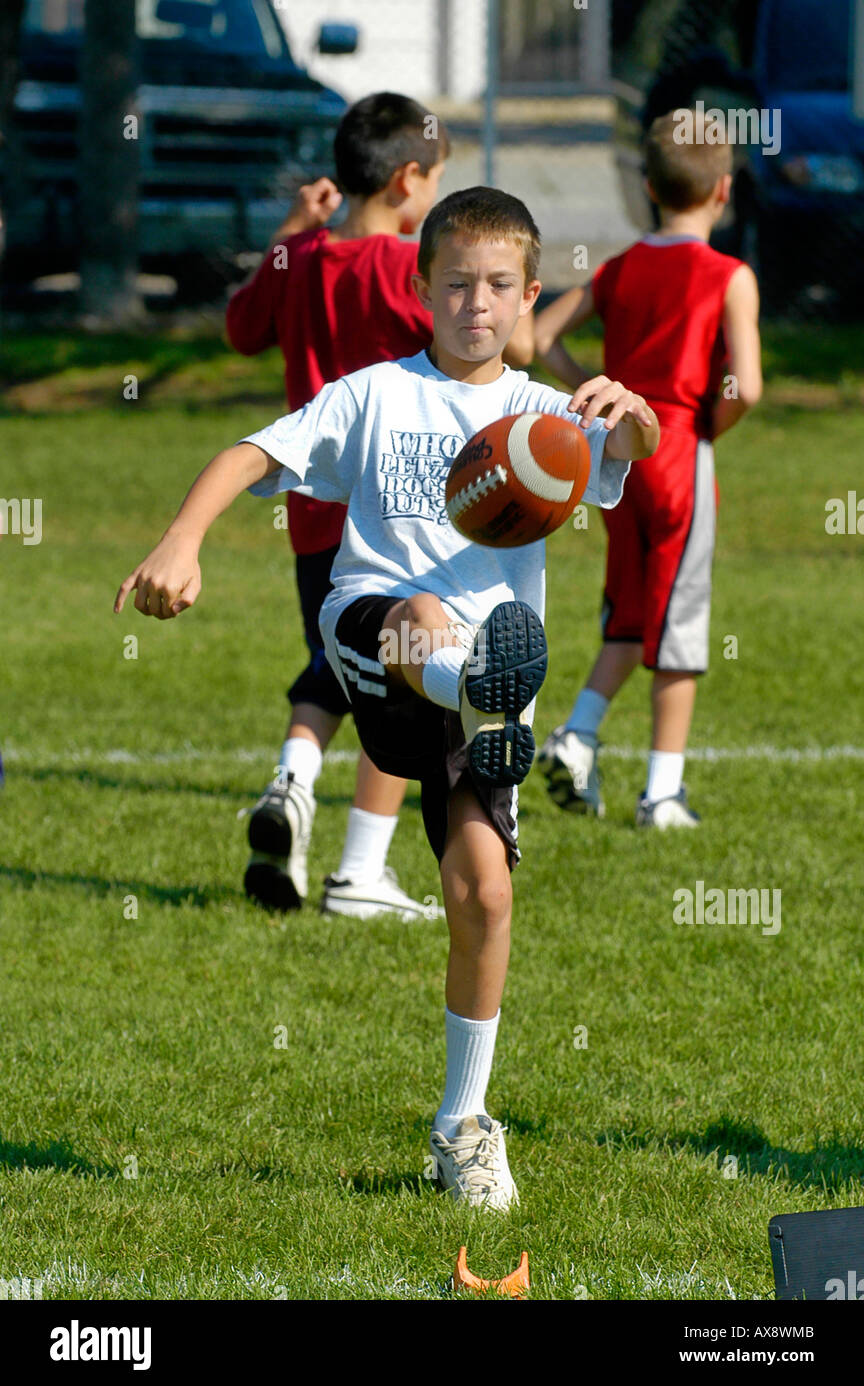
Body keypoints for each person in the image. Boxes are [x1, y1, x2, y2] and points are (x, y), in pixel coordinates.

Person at [115, 185, 658, 1210]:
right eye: (455, 283)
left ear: (531, 296)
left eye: (500, 286)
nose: (477, 304)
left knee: (483, 892)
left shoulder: (546, 417)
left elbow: (633, 455)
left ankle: (463, 1122)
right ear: (420, 288)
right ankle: (480, 682)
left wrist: (630, 416)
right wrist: (181, 539)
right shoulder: (374, 395)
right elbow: (249, 453)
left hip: (479, 704)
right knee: (415, 609)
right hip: (381, 643)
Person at [225, 92, 448, 920]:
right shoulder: (404, 269)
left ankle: (292, 784)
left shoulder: (302, 258)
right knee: (406, 685)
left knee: (332, 670)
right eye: (434, 184)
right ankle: (360, 874)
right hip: (400, 517)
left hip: (313, 513)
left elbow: (242, 332)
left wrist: (288, 235)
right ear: (406, 179)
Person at [534, 109, 762, 827]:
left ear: (647, 188)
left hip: (617, 460)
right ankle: (662, 792)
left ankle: (578, 734)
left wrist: (590, 401)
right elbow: (747, 386)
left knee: (633, 610)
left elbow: (539, 337)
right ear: (723, 190)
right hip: (676, 453)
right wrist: (702, 433)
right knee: (679, 624)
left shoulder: (621, 267)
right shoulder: (730, 275)